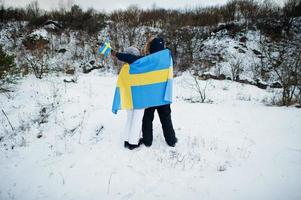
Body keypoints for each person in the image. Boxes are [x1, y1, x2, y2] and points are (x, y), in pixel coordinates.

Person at [112, 36, 177, 148]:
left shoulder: (148, 60)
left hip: (150, 97)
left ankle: (147, 141)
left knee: (147, 119)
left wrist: (116, 54)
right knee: (166, 119)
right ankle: (171, 140)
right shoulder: (168, 58)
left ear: (151, 48)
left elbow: (131, 58)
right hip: (164, 97)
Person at [112, 46, 144, 150]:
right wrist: (117, 54)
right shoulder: (137, 65)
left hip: (128, 98)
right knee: (137, 119)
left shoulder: (125, 68)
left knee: (130, 119)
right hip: (138, 98)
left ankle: (126, 140)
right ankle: (133, 143)